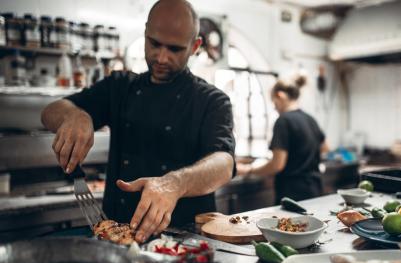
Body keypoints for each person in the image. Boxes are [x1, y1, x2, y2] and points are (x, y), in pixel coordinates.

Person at [41, 0, 235, 243]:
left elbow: (224, 163)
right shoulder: (120, 87)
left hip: (184, 244)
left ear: (194, 46)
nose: (161, 57)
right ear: (145, 34)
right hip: (115, 239)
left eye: (174, 49)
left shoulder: (212, 101)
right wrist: (75, 115)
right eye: (154, 44)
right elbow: (51, 110)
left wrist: (175, 183)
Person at [237, 76, 328, 204]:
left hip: (292, 195)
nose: (275, 108)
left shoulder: (283, 121)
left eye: (274, 103)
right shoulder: (310, 119)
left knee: (292, 225)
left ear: (280, 96)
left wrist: (248, 170)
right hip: (314, 189)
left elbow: (277, 165)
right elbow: (325, 148)